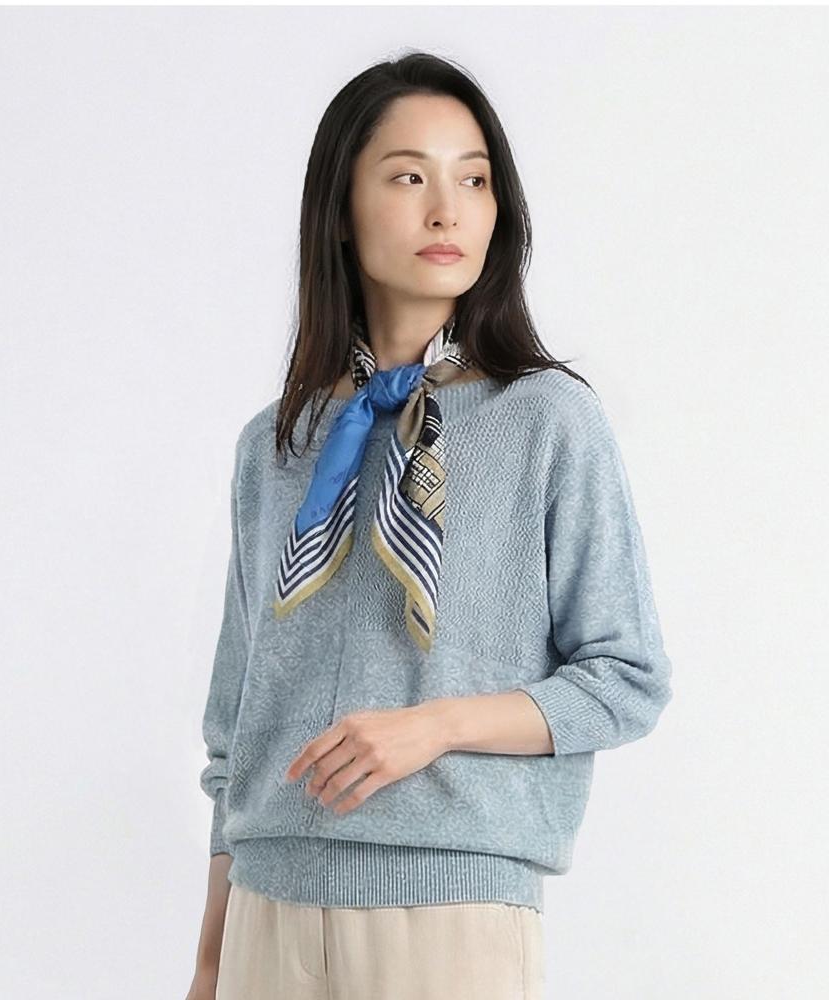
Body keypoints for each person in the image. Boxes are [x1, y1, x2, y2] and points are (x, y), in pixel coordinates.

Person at [186, 51, 673, 1000]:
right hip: (264, 920)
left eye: (474, 180)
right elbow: (234, 725)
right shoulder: (277, 444)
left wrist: (437, 726)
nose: (448, 210)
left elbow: (625, 678)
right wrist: (211, 958)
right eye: (409, 177)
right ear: (340, 208)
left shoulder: (547, 420)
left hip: (450, 919)